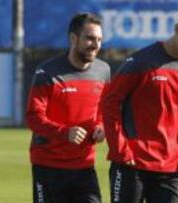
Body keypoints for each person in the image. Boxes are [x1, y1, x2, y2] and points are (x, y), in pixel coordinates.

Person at [102, 6, 178, 203]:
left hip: (171, 168)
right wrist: (121, 149)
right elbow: (110, 102)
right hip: (132, 164)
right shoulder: (140, 60)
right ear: (177, 29)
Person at [25, 13, 110, 203]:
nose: (95, 45)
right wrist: (65, 132)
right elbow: (33, 117)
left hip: (84, 165)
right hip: (48, 166)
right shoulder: (47, 72)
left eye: (99, 39)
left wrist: (100, 127)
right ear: (73, 38)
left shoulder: (103, 70)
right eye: (89, 38)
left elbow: (103, 109)